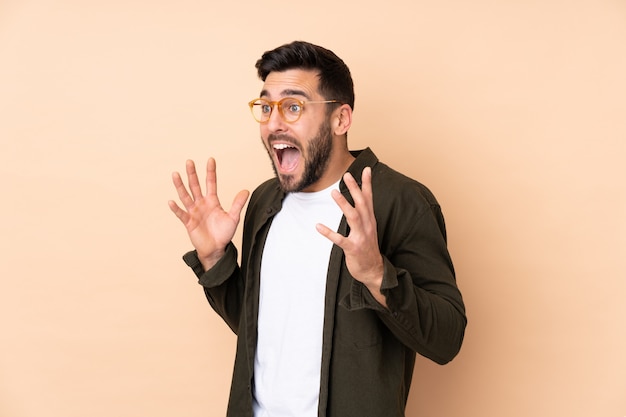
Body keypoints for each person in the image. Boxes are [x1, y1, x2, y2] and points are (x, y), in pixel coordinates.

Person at [169, 40, 466, 417]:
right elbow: (257, 329)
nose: (274, 123)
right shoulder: (264, 202)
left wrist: (377, 275)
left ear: (341, 119)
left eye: (293, 107)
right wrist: (214, 261)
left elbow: (447, 339)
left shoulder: (400, 201)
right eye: (266, 107)